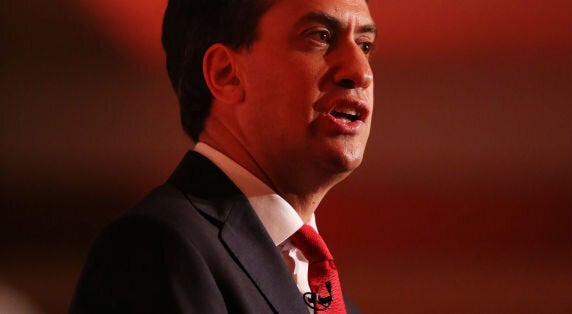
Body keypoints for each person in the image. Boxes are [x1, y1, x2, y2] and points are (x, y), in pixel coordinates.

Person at [70, 0, 376, 312]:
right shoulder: (154, 249)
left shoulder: (338, 303)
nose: (361, 72)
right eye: (321, 36)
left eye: (365, 45)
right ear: (226, 73)